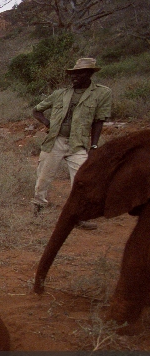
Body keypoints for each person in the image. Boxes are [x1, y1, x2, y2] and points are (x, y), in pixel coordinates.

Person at [31, 57, 111, 230]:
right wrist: (48, 123)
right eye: (73, 74)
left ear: (89, 74)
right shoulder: (60, 94)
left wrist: (94, 146)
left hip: (78, 143)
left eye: (79, 73)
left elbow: (99, 121)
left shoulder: (101, 93)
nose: (74, 77)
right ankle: (38, 209)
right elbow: (36, 110)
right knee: (43, 177)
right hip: (55, 141)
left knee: (82, 181)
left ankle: (77, 216)